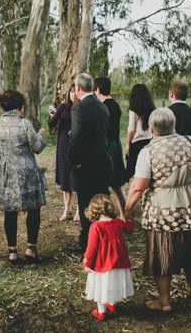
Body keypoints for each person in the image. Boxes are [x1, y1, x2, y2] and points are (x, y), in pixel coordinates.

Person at [125, 107, 191, 311]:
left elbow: (138, 187)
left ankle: (165, 302)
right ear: (173, 125)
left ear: (151, 129)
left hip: (164, 213)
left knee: (163, 254)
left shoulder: (148, 152)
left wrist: (127, 210)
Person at [0, 90, 46, 264]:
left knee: (9, 212)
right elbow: (37, 148)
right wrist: (40, 137)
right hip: (26, 174)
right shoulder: (24, 124)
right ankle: (30, 249)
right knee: (34, 209)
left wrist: (4, 158)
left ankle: (12, 252)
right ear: (20, 107)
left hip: (4, 175)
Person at [67, 73, 114, 253]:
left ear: (78, 88)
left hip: (87, 164)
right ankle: (103, 238)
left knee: (86, 203)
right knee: (101, 201)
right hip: (103, 161)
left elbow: (77, 137)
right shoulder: (102, 107)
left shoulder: (78, 109)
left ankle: (87, 242)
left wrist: (74, 160)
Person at [82, 193, 134, 321]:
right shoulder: (117, 223)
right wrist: (129, 217)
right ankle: (113, 303)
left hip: (102, 263)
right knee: (114, 282)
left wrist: (87, 262)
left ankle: (101, 312)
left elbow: (91, 248)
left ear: (92, 210)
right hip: (119, 261)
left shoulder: (96, 227)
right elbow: (129, 228)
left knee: (101, 286)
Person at [94, 76, 127, 213]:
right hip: (116, 144)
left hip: (107, 146)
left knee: (104, 183)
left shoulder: (102, 107)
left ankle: (108, 214)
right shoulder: (115, 105)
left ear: (98, 89)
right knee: (116, 185)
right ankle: (125, 214)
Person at [48, 85, 79, 222]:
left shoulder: (82, 107)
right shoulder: (63, 107)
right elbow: (52, 124)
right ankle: (67, 209)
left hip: (77, 144)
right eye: (71, 92)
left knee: (76, 176)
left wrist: (76, 130)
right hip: (63, 143)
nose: (73, 95)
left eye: (75, 92)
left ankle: (79, 210)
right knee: (65, 176)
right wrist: (51, 115)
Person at [125, 84, 155, 180]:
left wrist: (127, 145)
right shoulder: (152, 109)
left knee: (132, 171)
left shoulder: (133, 110)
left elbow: (131, 128)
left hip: (137, 143)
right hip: (149, 141)